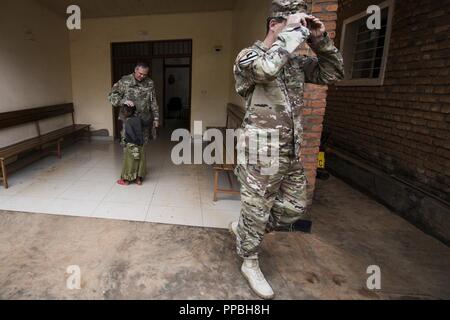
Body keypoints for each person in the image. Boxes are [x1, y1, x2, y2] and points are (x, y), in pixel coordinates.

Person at [230, 0, 345, 300]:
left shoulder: (295, 62)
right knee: (257, 208)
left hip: (290, 151)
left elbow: (333, 73)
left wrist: (320, 41)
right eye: (296, 24)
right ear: (274, 24)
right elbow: (266, 69)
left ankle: (246, 229)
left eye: (303, 25)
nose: (301, 31)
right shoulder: (248, 56)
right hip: (260, 153)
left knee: (295, 207)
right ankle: (250, 260)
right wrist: (292, 35)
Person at [108, 62, 160, 146]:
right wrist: (123, 101)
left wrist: (156, 118)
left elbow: (153, 101)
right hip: (128, 119)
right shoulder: (125, 81)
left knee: (142, 144)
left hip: (144, 119)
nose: (142, 76)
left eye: (145, 74)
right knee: (129, 145)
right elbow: (111, 96)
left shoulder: (150, 83)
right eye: (140, 73)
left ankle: (140, 159)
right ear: (135, 70)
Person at [117, 105, 148, 186]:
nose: (123, 113)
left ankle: (127, 180)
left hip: (131, 145)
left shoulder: (127, 122)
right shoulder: (138, 119)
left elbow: (131, 133)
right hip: (140, 144)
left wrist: (134, 141)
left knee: (130, 162)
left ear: (128, 112)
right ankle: (138, 179)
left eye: (123, 112)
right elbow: (145, 124)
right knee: (139, 161)